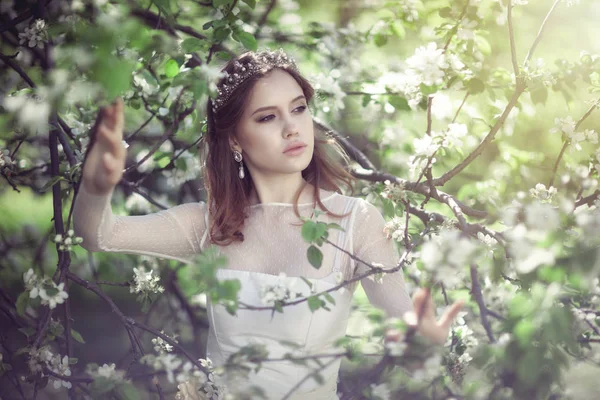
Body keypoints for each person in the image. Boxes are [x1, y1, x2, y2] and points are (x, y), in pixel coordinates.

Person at [73, 48, 464, 400]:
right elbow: (98, 235)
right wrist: (94, 188)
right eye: (267, 117)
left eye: (298, 108)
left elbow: (407, 330)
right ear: (235, 140)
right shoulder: (210, 224)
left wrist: (422, 345)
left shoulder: (354, 221)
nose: (292, 127)